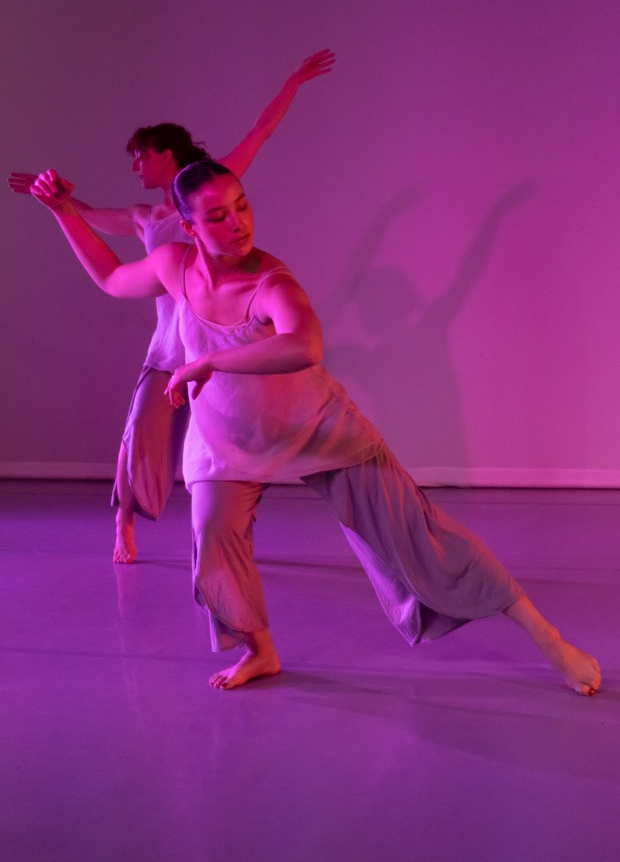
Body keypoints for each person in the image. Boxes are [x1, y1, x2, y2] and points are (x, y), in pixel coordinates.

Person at [28, 162, 602, 697]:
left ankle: (548, 639)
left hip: (316, 429)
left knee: (421, 538)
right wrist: (63, 213)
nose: (238, 224)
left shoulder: (271, 280)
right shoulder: (173, 266)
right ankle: (261, 651)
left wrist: (209, 362)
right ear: (188, 225)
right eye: (219, 215)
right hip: (226, 440)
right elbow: (109, 276)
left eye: (243, 206)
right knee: (214, 545)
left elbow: (305, 345)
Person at [8, 49, 335, 564]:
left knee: (235, 436)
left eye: (141, 155)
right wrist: (58, 202)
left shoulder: (211, 185)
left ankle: (232, 526)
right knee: (140, 430)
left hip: (220, 339)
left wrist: (293, 81)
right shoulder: (144, 217)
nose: (136, 166)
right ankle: (124, 522)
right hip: (170, 343)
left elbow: (261, 130)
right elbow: (95, 233)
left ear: (165, 154)